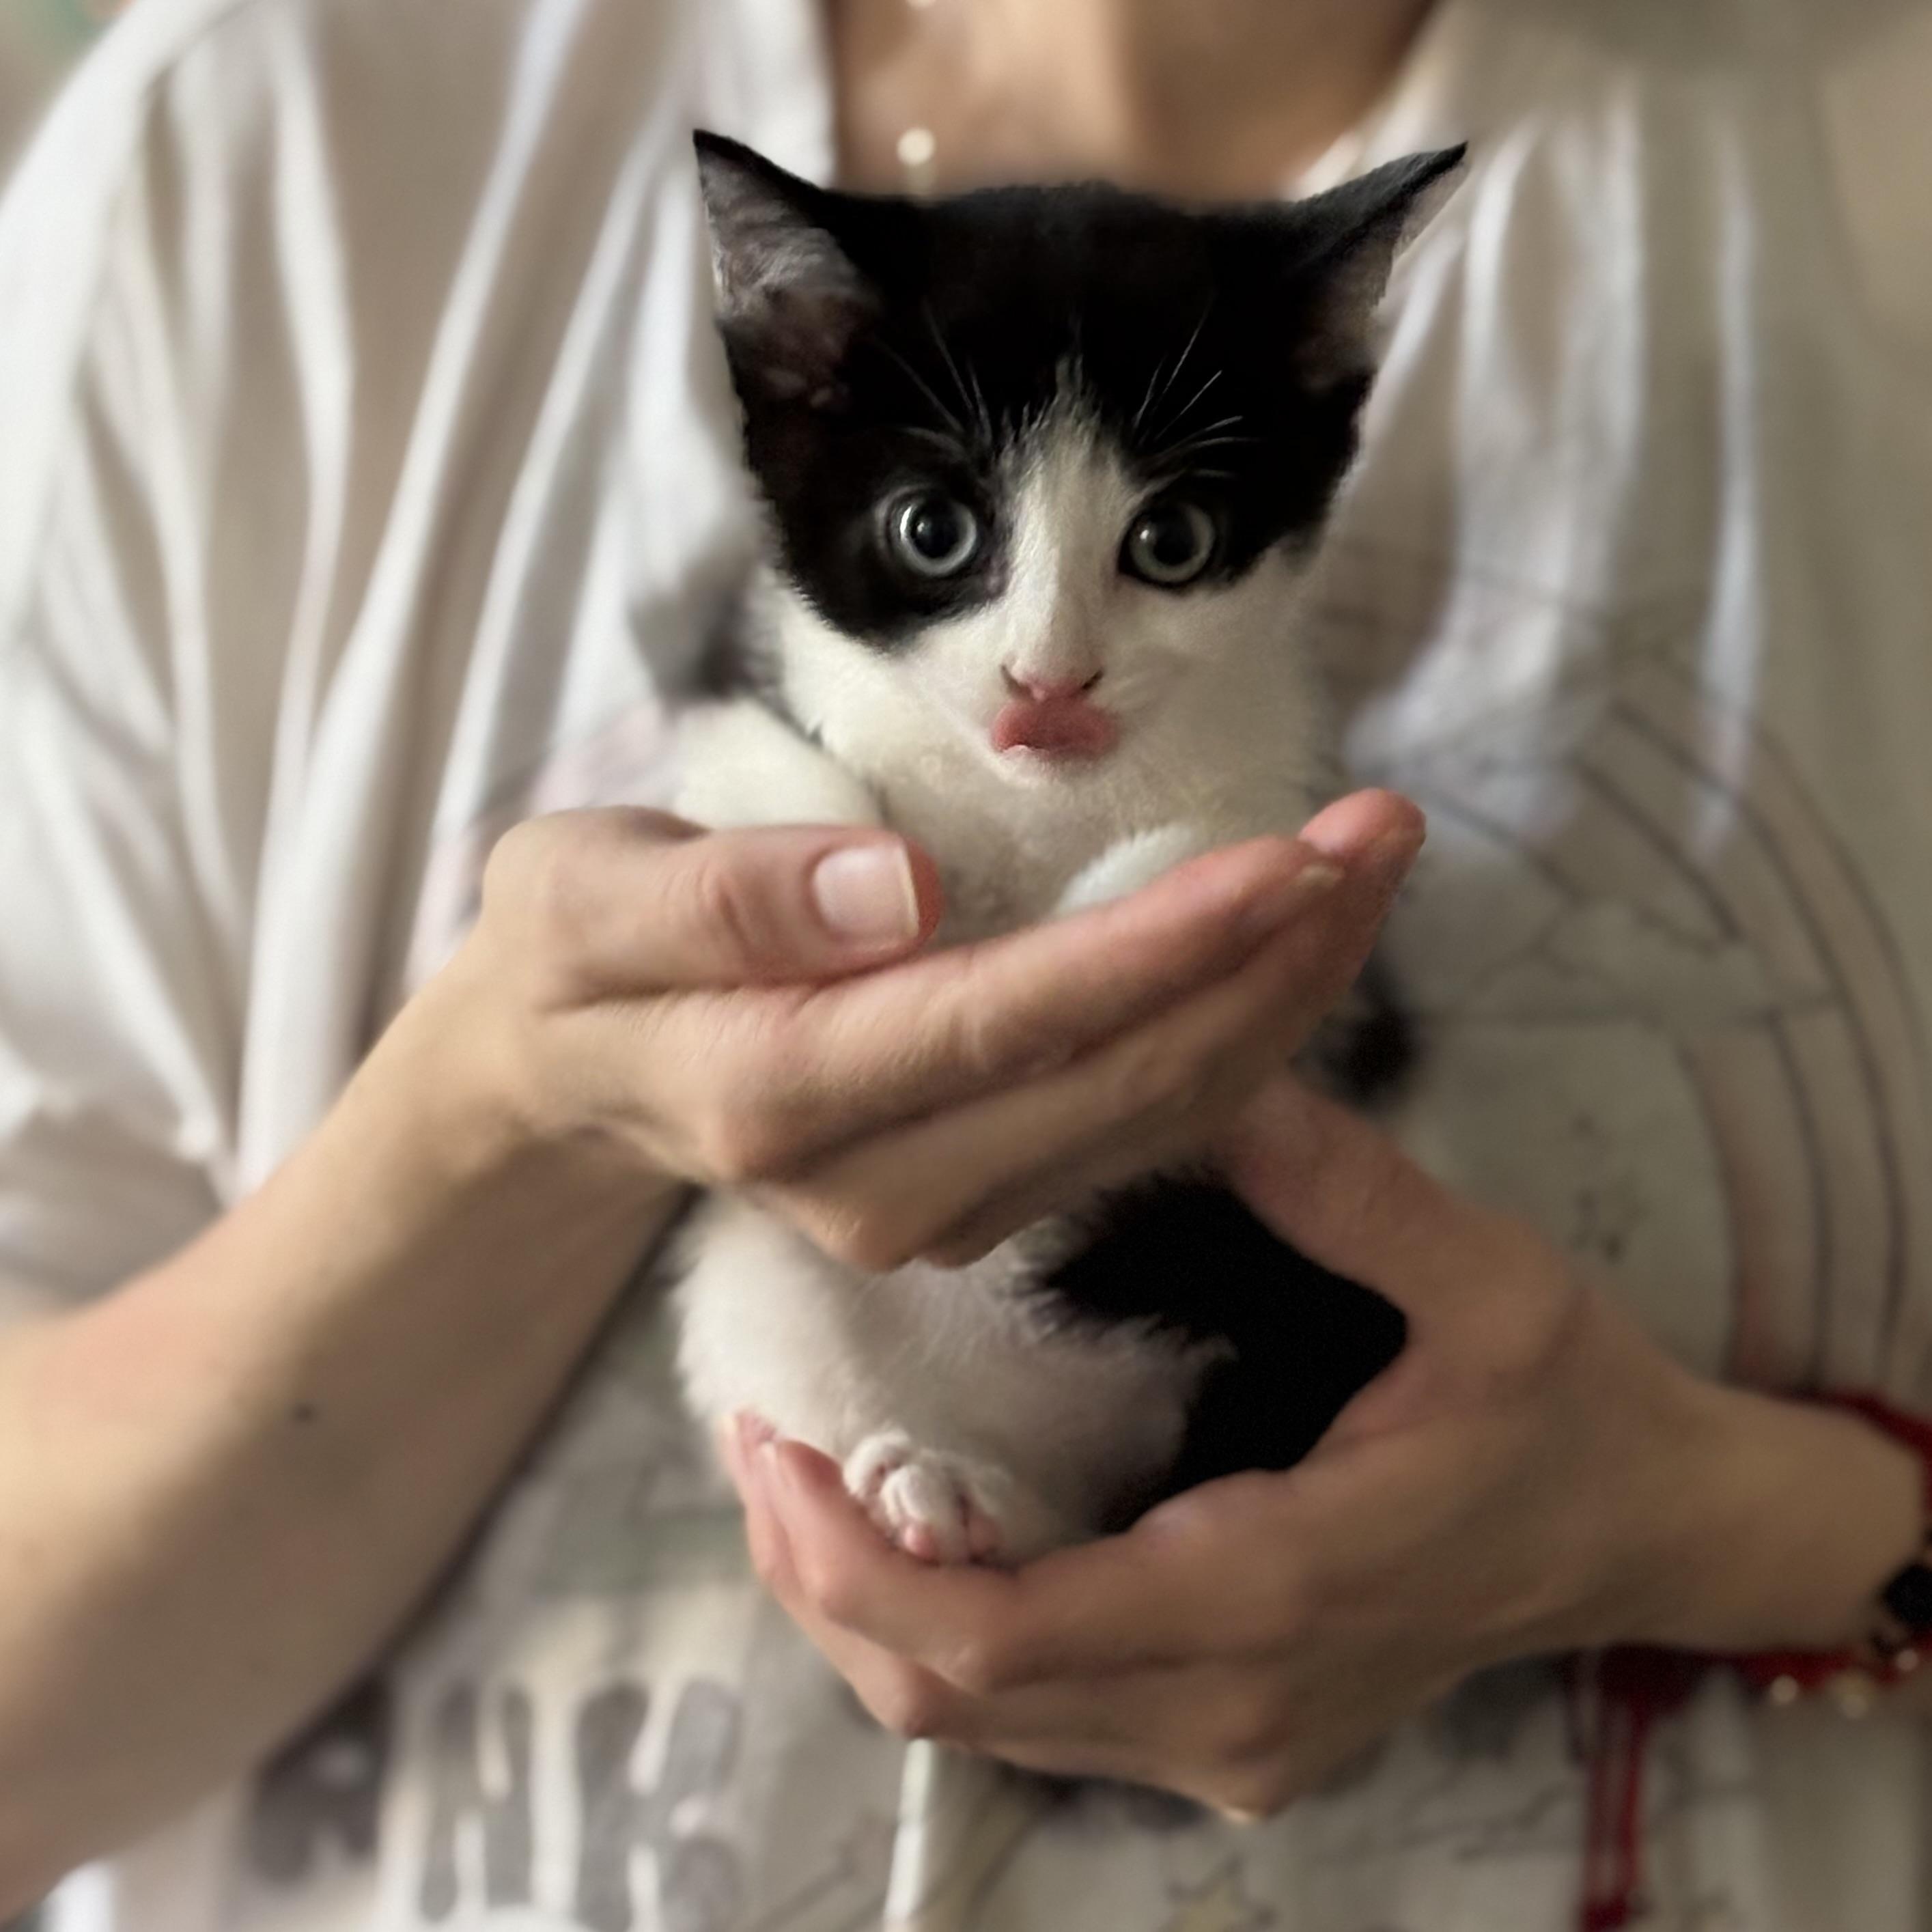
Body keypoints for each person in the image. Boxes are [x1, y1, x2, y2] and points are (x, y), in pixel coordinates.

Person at [2, 1, 1931, 1929]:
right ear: (787, 371)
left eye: (1167, 539)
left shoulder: (1871, 167)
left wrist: (1707, 1526)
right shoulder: (262, 161)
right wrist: (516, 1118)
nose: (1048, 673)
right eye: (946, 534)